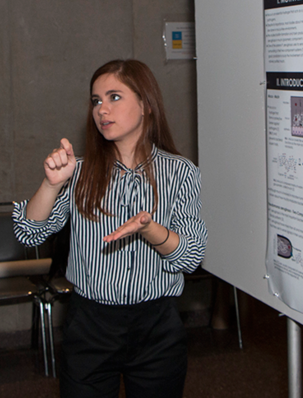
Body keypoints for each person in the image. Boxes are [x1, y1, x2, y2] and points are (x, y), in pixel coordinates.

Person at [14, 59, 207, 398]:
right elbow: (28, 233)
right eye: (96, 101)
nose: (102, 109)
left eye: (114, 97)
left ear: (146, 104)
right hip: (91, 324)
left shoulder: (181, 173)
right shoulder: (81, 172)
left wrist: (149, 229)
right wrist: (50, 184)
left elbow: (190, 257)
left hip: (157, 326)